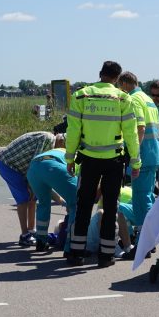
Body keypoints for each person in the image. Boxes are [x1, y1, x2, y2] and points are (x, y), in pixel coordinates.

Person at [65, 61, 141, 268]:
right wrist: (136, 161)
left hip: (88, 160)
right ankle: (106, 255)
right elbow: (131, 134)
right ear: (117, 78)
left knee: (83, 206)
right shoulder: (123, 98)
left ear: (100, 74)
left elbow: (72, 131)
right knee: (110, 207)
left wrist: (69, 158)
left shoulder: (81, 95)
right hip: (114, 161)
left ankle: (76, 253)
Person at [117, 72, 159, 243]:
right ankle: (150, 234)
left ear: (125, 84)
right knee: (149, 195)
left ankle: (146, 238)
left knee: (141, 198)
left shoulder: (134, 99)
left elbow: (140, 128)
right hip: (154, 153)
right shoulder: (148, 99)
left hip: (142, 155)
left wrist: (134, 156)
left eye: (120, 87)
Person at [0, 131, 58, 246]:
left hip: (20, 167)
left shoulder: (51, 142)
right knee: (24, 198)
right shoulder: (48, 140)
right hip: (8, 165)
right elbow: (35, 164)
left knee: (33, 197)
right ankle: (24, 235)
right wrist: (31, 184)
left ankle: (31, 231)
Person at [26, 135, 76, 252]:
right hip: (52, 166)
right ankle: (71, 246)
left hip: (34, 167)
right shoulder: (73, 153)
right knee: (76, 204)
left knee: (43, 203)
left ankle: (41, 241)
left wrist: (61, 199)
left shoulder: (54, 150)